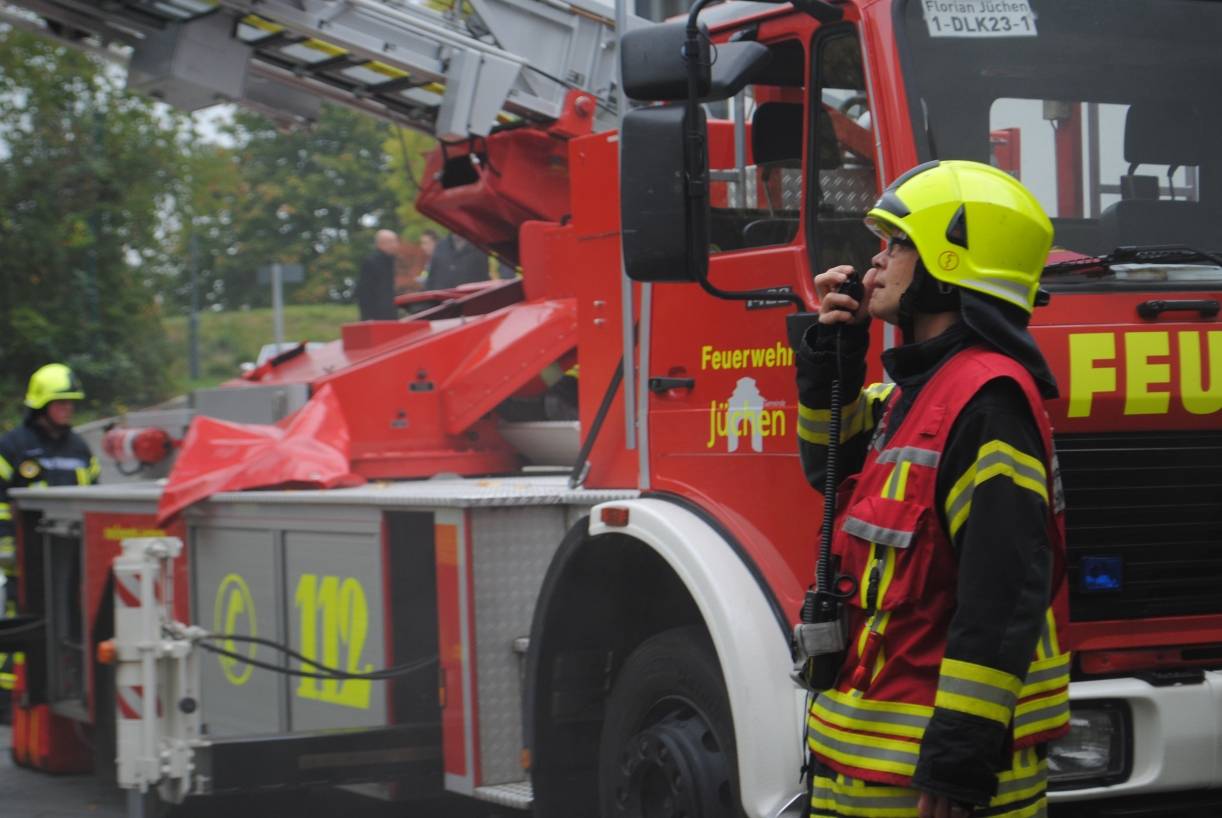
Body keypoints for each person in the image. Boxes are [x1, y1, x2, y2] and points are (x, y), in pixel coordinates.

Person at [794, 161, 1070, 818]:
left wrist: (958, 759)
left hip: (930, 788)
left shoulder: (987, 404)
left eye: (896, 244)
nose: (874, 262)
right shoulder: (913, 395)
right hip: (864, 767)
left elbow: (1002, 599)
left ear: (950, 260)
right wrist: (830, 359)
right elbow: (826, 470)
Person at [0, 363, 100, 693]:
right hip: (21, 561)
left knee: (68, 622)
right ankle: (9, 695)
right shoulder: (13, 447)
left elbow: (96, 498)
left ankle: (60, 687)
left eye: (72, 402)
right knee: (17, 625)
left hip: (69, 558)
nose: (68, 409)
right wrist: (7, 550)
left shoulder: (80, 449)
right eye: (61, 402)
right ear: (41, 405)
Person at [355, 229, 400, 321]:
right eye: (392, 242)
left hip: (389, 315)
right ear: (381, 243)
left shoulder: (390, 261)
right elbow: (364, 291)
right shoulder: (371, 262)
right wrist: (367, 316)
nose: (396, 245)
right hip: (376, 316)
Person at [424, 232, 490, 290]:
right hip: (442, 299)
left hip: (469, 298)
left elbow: (483, 279)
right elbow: (432, 277)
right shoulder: (441, 246)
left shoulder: (478, 248)